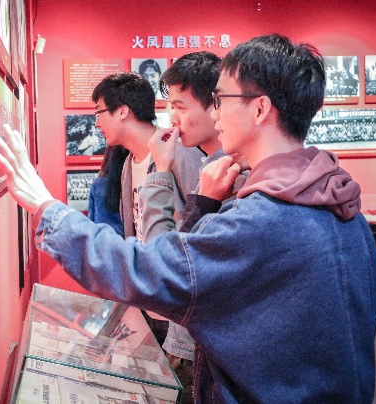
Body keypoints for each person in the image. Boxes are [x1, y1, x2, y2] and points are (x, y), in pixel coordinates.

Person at [0, 34, 376, 402]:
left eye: (221, 99)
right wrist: (204, 205)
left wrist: (47, 210)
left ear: (260, 108)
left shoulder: (259, 219)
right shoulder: (344, 210)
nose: (215, 113)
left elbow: (149, 268)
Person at [138, 51, 246, 403]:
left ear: (214, 105)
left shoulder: (230, 175)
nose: (173, 117)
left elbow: (164, 263)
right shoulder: (211, 165)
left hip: (204, 346)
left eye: (181, 107)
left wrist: (161, 171)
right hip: (195, 339)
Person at [92, 72, 203, 343]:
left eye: (99, 112)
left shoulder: (181, 154)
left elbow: (202, 224)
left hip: (182, 310)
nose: (96, 123)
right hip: (150, 305)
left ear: (122, 111)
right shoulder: (128, 164)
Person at [87, 145, 130, 237]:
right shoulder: (131, 184)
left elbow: (91, 220)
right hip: (127, 242)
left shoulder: (98, 184)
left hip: (102, 240)